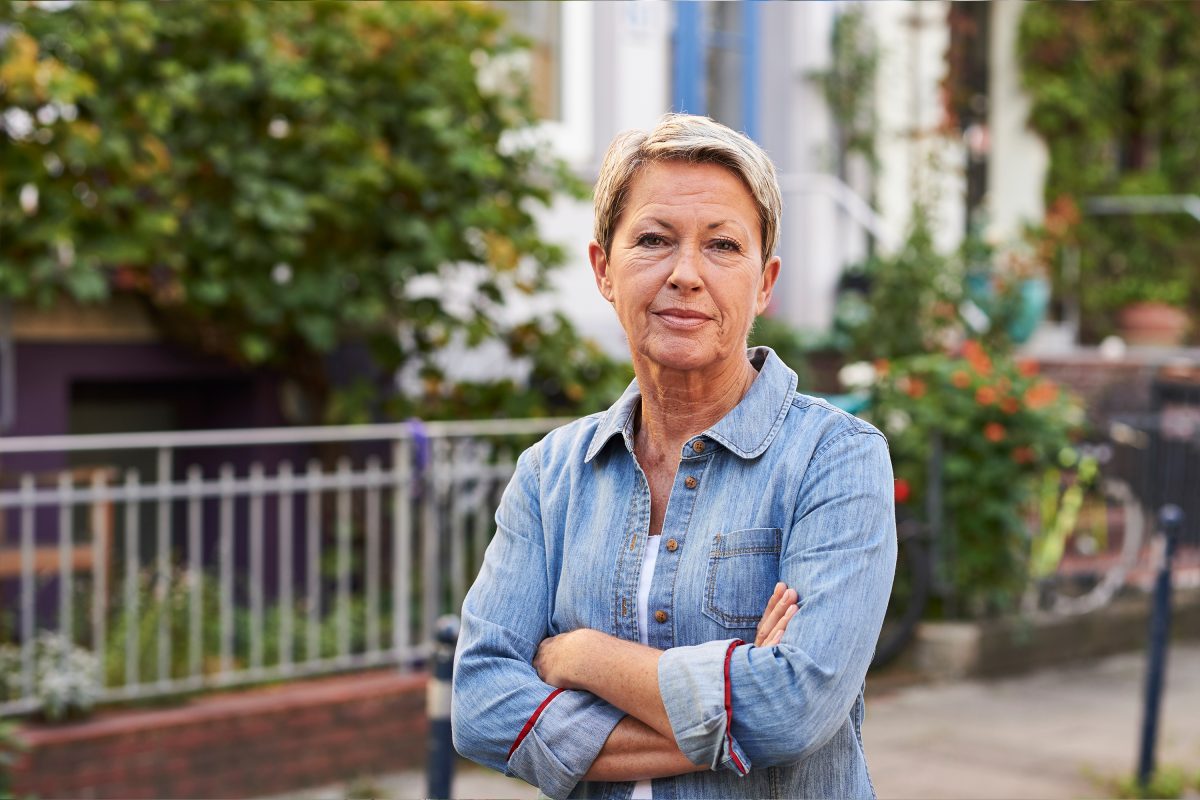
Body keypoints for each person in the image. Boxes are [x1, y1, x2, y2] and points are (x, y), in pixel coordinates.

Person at [452, 113, 896, 799]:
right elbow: (481, 704)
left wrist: (580, 657)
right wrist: (733, 702)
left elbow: (795, 709)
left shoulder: (834, 460)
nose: (687, 274)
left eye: (722, 246)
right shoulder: (550, 475)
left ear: (764, 282)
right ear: (603, 268)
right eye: (655, 240)